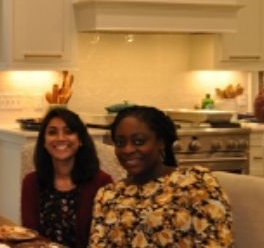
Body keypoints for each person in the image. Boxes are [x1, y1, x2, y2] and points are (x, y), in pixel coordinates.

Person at [88, 106, 234, 247]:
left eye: (139, 141)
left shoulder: (196, 182)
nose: (128, 149)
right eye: (120, 143)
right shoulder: (107, 194)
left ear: (161, 142)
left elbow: (217, 241)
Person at [20, 108, 113, 248]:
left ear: (80, 140)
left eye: (68, 131)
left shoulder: (102, 183)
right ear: (44, 142)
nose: (60, 138)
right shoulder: (31, 182)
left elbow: (106, 239)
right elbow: (30, 237)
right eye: (52, 132)